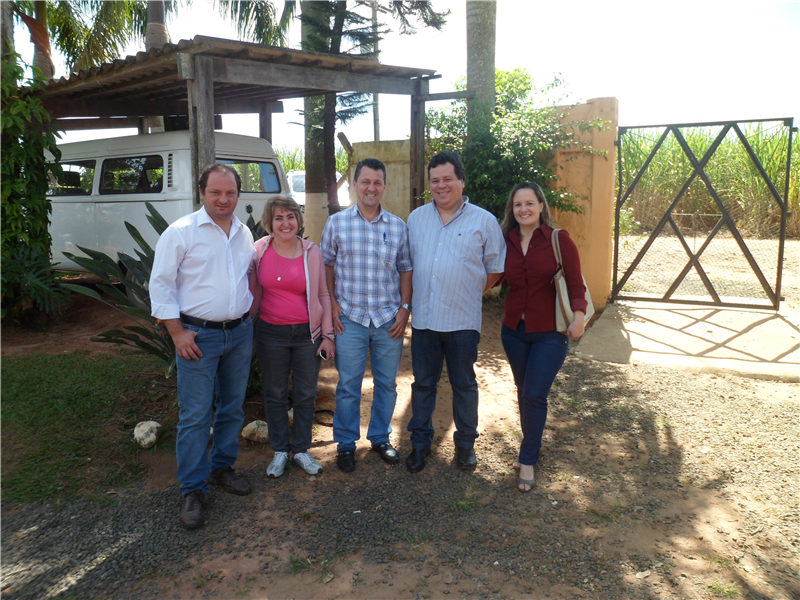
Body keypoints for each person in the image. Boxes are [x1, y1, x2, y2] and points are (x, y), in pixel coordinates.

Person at [150, 163, 255, 529]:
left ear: (238, 195)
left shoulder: (243, 234)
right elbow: (160, 285)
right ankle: (192, 489)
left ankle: (222, 468)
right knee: (195, 416)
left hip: (240, 333)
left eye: (230, 193)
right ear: (202, 193)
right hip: (197, 337)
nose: (223, 199)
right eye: (216, 192)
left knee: (231, 407)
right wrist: (177, 333)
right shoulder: (180, 233)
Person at [405, 151, 506, 474]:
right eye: (435, 180)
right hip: (424, 320)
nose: (441, 185)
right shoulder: (416, 219)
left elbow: (495, 269)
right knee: (423, 385)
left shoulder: (484, 221)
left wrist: (468, 289)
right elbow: (407, 266)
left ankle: (465, 447)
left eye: (448, 179)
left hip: (463, 320)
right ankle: (419, 445)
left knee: (464, 384)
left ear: (461, 181)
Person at [320, 158, 413, 473]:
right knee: (348, 385)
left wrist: (405, 308)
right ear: (355, 185)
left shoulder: (398, 226)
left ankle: (379, 437)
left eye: (377, 183)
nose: (371, 188)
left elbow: (405, 269)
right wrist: (331, 303)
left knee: (387, 384)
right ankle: (346, 444)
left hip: (388, 319)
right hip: (350, 318)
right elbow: (327, 266)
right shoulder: (337, 223)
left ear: (384, 187)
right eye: (365, 182)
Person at [499, 182, 587, 492]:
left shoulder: (557, 239)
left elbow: (576, 283)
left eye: (529, 203)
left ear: (540, 206)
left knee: (535, 395)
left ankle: (527, 460)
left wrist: (579, 315)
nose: (523, 209)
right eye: (517, 205)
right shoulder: (506, 240)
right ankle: (529, 449)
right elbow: (491, 274)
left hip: (550, 333)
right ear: (513, 210)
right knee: (524, 394)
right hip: (514, 332)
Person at [250, 195, 335, 478]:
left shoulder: (311, 251)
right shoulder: (259, 250)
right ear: (269, 223)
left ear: (298, 221)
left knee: (305, 394)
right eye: (278, 218)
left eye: (290, 217)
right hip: (270, 332)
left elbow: (323, 293)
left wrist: (328, 335)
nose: (285, 223)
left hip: (306, 334)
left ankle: (300, 450)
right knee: (274, 394)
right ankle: (280, 450)